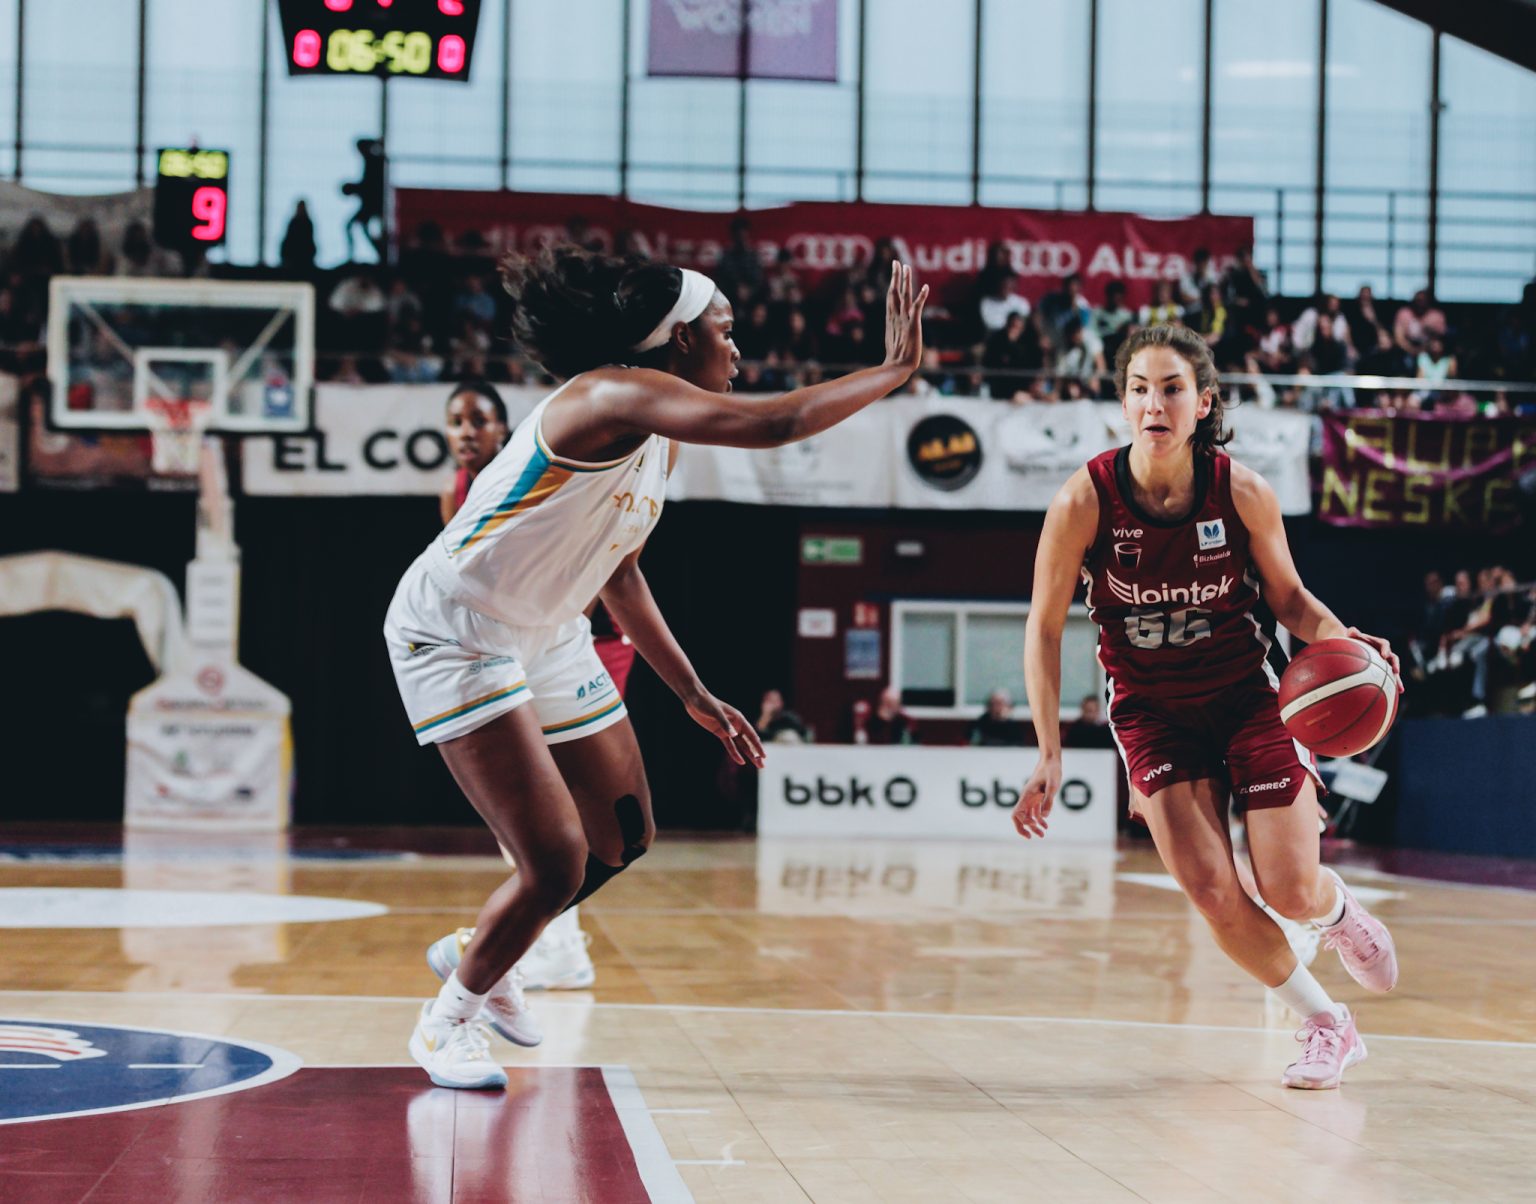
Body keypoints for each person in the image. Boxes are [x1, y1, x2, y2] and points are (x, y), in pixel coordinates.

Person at [386, 247, 927, 1088]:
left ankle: (483, 949)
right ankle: (446, 1021)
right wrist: (892, 370)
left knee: (625, 835)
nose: (736, 349)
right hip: (459, 628)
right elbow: (773, 424)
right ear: (678, 339)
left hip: (549, 627)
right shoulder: (609, 394)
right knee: (555, 860)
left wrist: (693, 692)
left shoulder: (660, 441)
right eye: (724, 330)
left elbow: (621, 571)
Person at [1012, 322, 1402, 1091]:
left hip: (1249, 699)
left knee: (1288, 888)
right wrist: (1049, 750)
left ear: (1203, 403)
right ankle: (1328, 1024)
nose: (1154, 404)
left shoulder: (1242, 492)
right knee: (1213, 891)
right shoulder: (1084, 500)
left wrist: (1343, 641)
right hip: (1152, 713)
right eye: (1139, 389)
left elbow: (1289, 600)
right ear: (1123, 403)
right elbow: (1044, 627)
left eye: (1171, 389)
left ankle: (1335, 913)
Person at [435, 380, 600, 1000]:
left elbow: (577, 563)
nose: (466, 431)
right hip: (513, 638)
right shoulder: (452, 490)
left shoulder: (528, 475)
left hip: (578, 631)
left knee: (553, 798)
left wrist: (556, 633)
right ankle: (558, 942)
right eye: (456, 420)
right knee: (528, 798)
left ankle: (557, 944)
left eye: (478, 420)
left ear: (503, 430)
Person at [852, 686, 918, 745]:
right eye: (897, 703)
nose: (899, 706)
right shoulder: (869, 722)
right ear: (887, 703)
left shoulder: (903, 723)